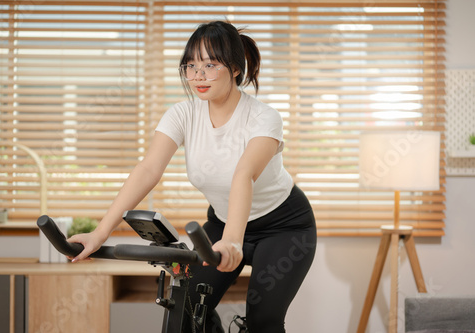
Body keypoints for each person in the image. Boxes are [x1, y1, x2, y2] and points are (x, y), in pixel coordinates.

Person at [68, 20, 317, 333]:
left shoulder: (263, 118)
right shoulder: (183, 114)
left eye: (210, 65)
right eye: (191, 65)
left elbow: (243, 175)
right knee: (185, 307)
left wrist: (233, 243)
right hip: (224, 221)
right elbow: (147, 170)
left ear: (236, 68)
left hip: (284, 227)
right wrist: (100, 233)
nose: (198, 75)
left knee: (262, 320)